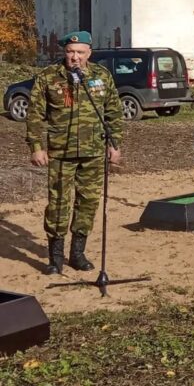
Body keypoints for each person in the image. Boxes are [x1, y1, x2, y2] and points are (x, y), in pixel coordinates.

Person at [26, 31, 123, 275]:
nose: (75, 57)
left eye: (80, 52)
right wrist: (37, 147)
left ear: (89, 53)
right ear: (64, 53)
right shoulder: (48, 77)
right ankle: (55, 257)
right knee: (58, 203)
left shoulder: (101, 76)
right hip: (60, 151)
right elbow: (35, 115)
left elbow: (113, 112)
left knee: (88, 201)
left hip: (93, 151)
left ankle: (77, 253)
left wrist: (115, 144)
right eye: (70, 52)